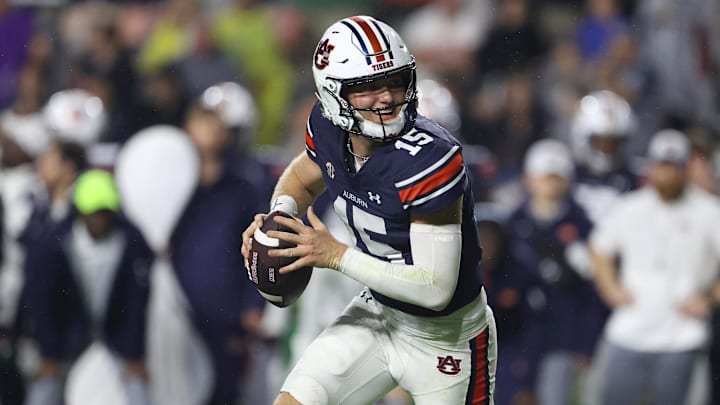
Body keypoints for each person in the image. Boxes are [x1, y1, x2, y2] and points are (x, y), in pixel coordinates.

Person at [241, 15, 497, 405]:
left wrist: (337, 255)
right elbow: (304, 176)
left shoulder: (431, 157)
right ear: (333, 95)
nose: (388, 97)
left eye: (395, 81)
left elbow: (435, 289)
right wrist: (280, 219)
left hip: (447, 338)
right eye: (368, 87)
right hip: (378, 314)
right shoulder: (328, 128)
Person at [589, 129, 720, 405]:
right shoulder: (629, 207)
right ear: (650, 167)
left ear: (686, 168)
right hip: (629, 330)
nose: (667, 174)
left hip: (683, 335)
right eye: (662, 166)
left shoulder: (709, 211)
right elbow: (599, 249)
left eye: (674, 167)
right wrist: (610, 287)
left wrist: (709, 298)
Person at [22, 169, 155, 405]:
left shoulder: (132, 241)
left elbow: (137, 302)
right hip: (68, 340)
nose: (99, 220)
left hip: (117, 341)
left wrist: (134, 355)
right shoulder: (55, 244)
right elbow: (43, 302)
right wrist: (49, 354)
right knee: (43, 393)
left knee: (138, 393)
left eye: (104, 212)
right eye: (92, 212)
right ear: (79, 211)